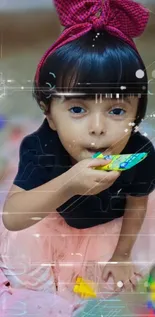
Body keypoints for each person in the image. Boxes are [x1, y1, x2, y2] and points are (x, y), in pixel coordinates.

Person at [2, 0, 155, 294]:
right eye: (77, 109)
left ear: (137, 114)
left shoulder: (139, 152)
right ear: (49, 114)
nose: (97, 128)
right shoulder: (41, 147)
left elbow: (137, 203)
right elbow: (13, 216)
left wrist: (122, 255)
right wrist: (68, 184)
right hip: (54, 224)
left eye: (117, 111)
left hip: (111, 228)